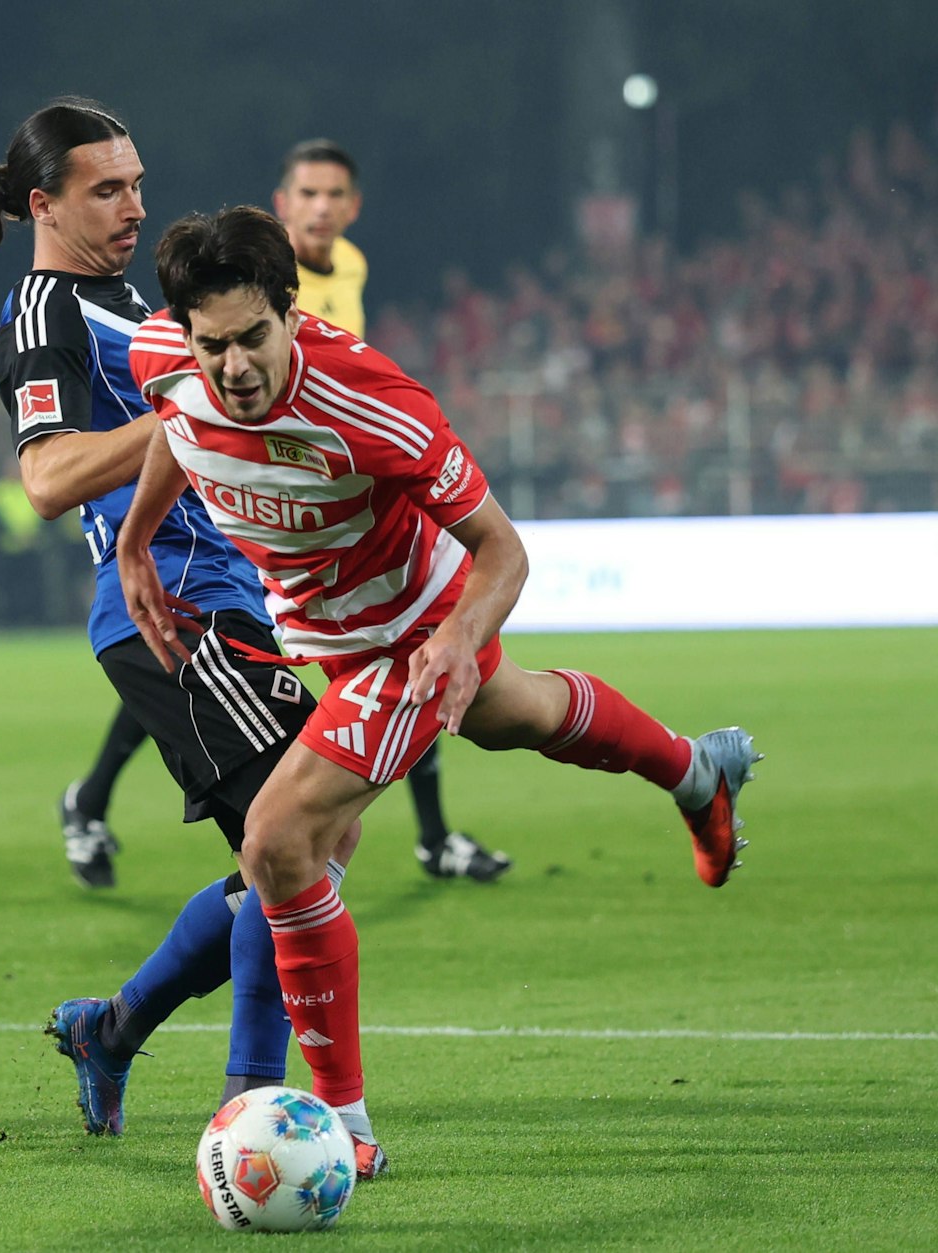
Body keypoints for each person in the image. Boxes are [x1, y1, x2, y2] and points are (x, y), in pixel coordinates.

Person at [118, 205, 758, 1172]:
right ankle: (696, 773)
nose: (235, 367)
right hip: (320, 636)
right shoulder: (166, 355)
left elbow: (504, 549)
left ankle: (345, 1129)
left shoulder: (370, 399)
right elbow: (178, 420)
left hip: (411, 631)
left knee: (280, 841)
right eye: (216, 346)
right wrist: (134, 540)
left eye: (255, 338)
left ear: (291, 311)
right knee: (521, 716)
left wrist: (458, 638)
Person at [0, 99, 376, 1173]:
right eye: (105, 189)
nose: (132, 205)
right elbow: (48, 476)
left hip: (247, 590)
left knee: (303, 847)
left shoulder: (132, 298)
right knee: (292, 845)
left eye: (136, 182)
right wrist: (196, 402)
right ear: (40, 203)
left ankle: (111, 1029)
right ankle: (252, 1108)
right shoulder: (41, 316)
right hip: (174, 605)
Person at [273, 138, 510, 882]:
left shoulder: (350, 266)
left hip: (342, 492)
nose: (320, 207)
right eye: (306, 193)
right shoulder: (262, 281)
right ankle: (89, 800)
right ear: (282, 203)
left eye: (333, 194)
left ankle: (433, 836)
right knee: (205, 645)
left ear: (353, 206)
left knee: (407, 641)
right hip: (270, 502)